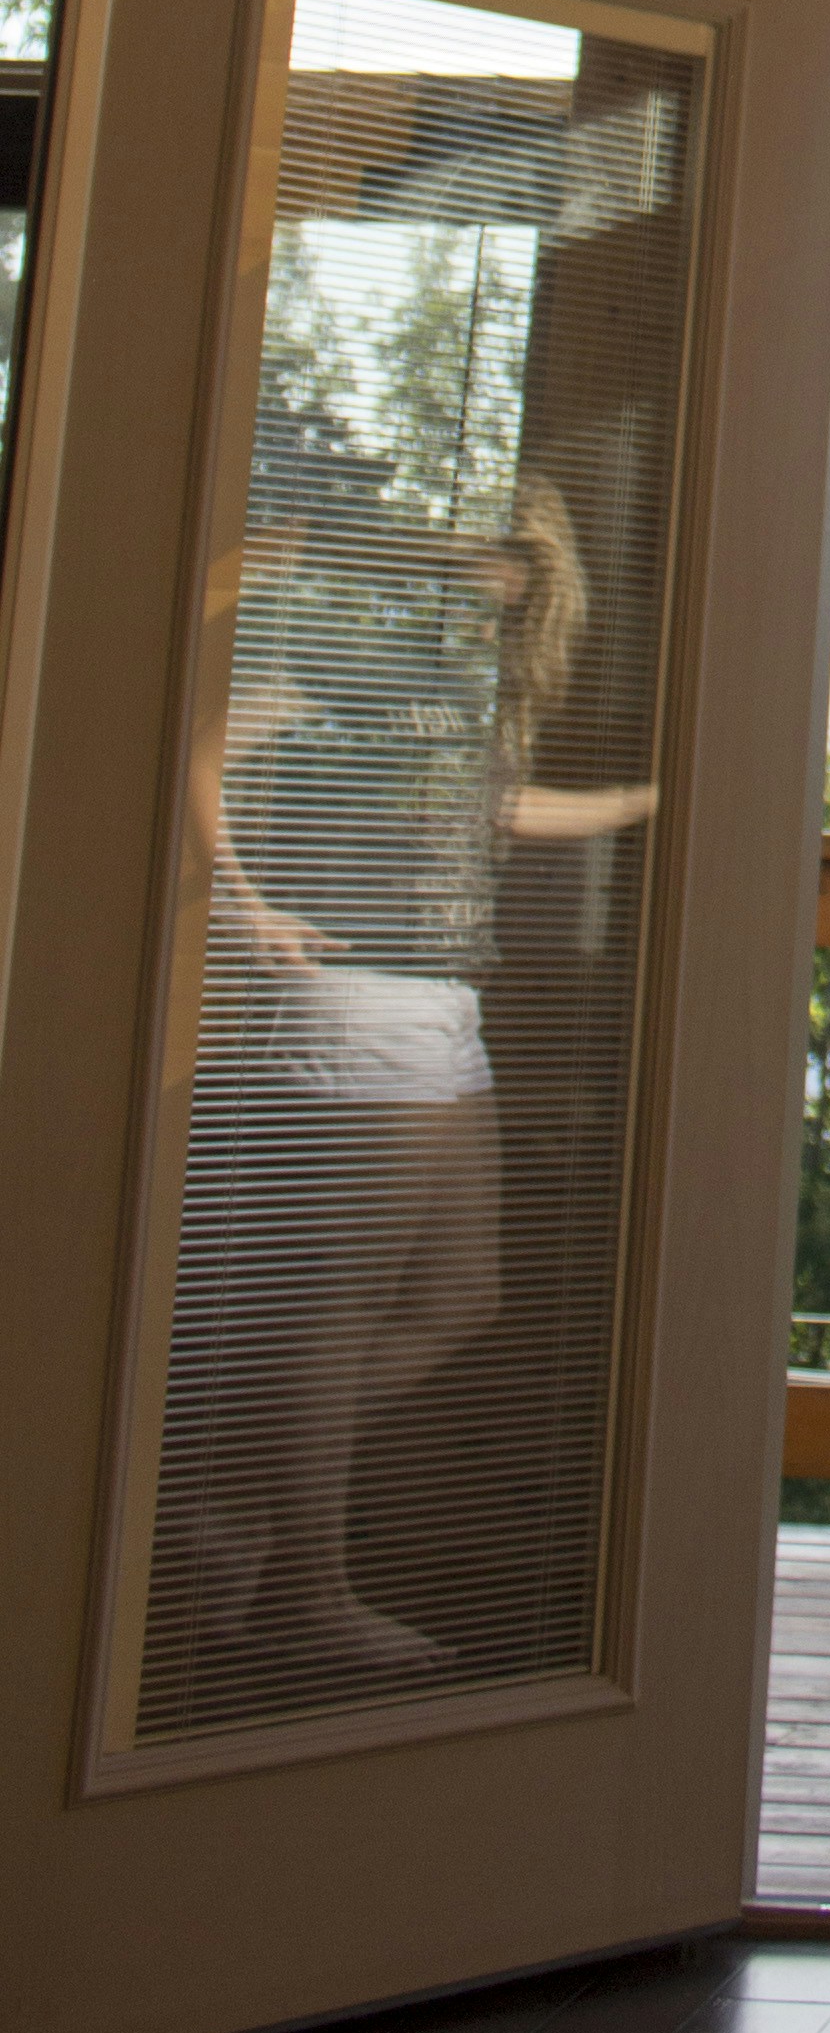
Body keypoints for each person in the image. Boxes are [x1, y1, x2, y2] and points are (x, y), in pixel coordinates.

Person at [183, 470, 656, 1688]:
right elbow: (208, 748)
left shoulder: (469, 674)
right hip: (359, 1003)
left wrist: (657, 801)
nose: (499, 579)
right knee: (339, 1305)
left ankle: (225, 1493)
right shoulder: (370, 643)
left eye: (521, 565)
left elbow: (492, 812)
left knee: (463, 1290)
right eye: (488, 555)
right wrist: (250, 906)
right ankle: (305, 1587)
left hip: (444, 1000)